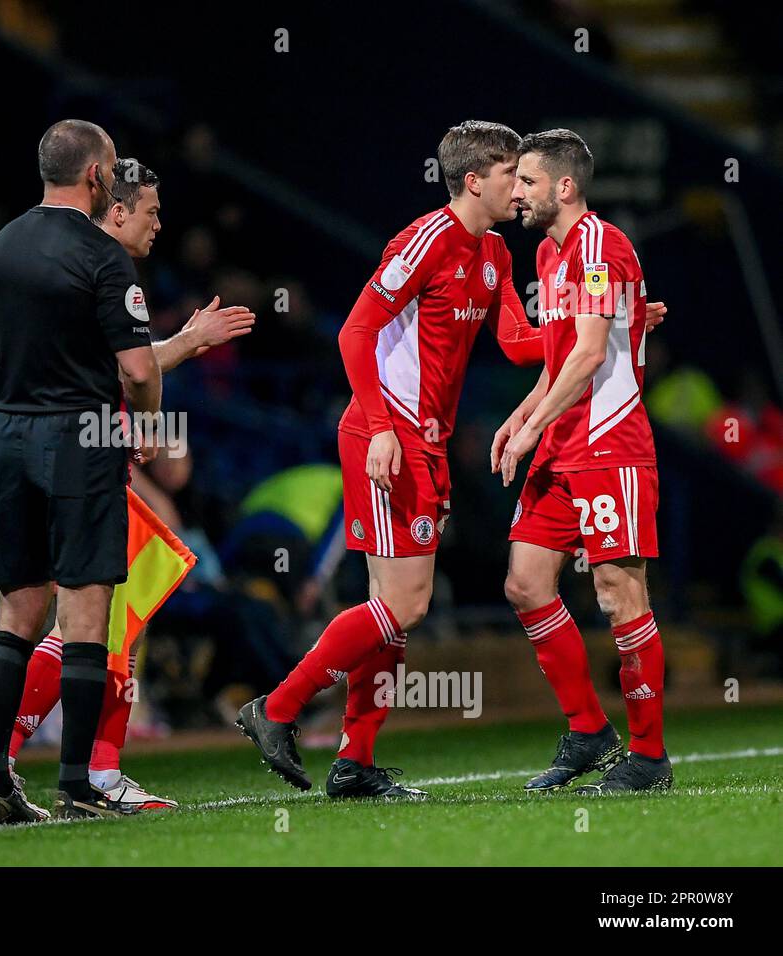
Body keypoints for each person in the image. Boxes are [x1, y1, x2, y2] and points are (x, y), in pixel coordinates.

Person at [234, 120, 669, 799]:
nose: (517, 191)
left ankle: (354, 763)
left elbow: (530, 344)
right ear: (476, 179)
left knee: (399, 607)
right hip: (387, 437)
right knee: (404, 602)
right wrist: (380, 428)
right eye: (510, 176)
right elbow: (355, 332)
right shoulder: (425, 240)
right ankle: (279, 708)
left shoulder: (498, 254)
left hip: (431, 444)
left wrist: (622, 318)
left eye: (526, 178)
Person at [0, 158, 255, 811]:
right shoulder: (98, 265)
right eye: (149, 212)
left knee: (95, 613)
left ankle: (19, 759)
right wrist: (177, 363)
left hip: (41, 454)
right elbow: (129, 374)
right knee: (100, 617)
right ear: (113, 207)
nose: (157, 225)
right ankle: (78, 770)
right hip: (83, 465)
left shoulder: (21, 256)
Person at [0, 121, 162, 823]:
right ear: (98, 175)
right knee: (84, 613)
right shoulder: (102, 258)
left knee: (16, 613)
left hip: (9, 438)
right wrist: (145, 421)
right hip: (83, 438)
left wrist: (26, 407)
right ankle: (76, 783)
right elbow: (137, 372)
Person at [495, 129, 672, 793]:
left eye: (528, 183)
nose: (516, 194)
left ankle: (649, 757)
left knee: (618, 592)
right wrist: (523, 419)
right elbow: (560, 356)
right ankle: (590, 729)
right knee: (526, 582)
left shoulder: (600, 244)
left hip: (611, 446)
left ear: (564, 187)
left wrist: (529, 426)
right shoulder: (547, 253)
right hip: (563, 444)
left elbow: (593, 354)